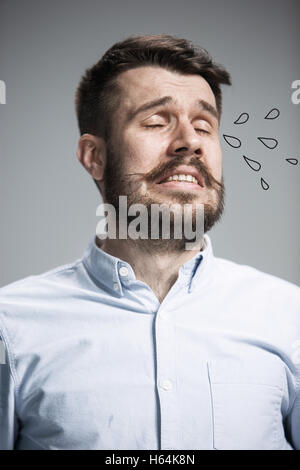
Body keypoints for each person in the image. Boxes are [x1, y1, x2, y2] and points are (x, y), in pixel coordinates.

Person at [0, 34, 299, 451]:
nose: (190, 142)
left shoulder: (290, 318)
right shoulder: (10, 328)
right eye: (157, 122)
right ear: (95, 156)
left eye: (203, 126)